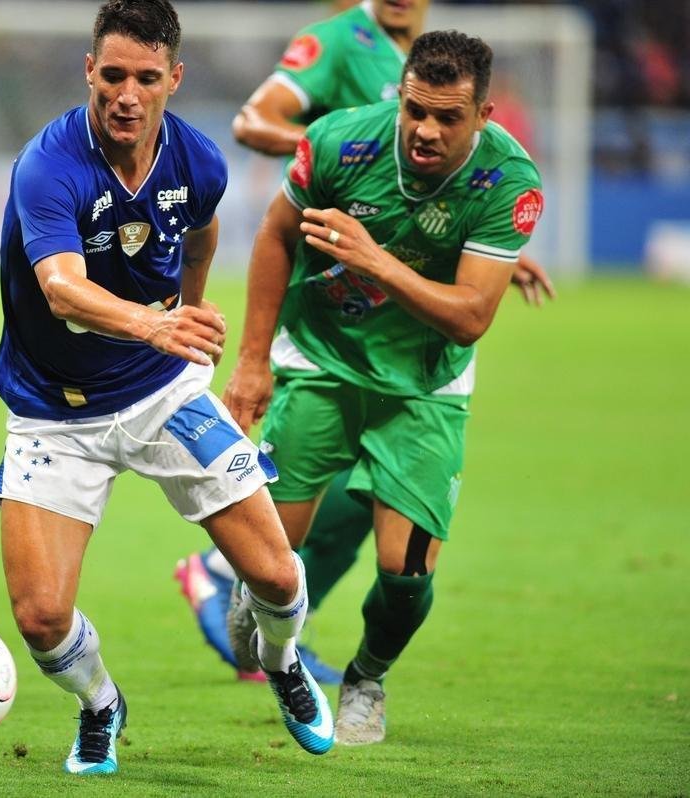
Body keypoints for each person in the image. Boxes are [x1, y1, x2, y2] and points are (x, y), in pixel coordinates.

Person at [0, 0, 334, 775]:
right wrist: (157, 324)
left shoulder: (198, 161)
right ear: (89, 71)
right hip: (55, 413)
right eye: (112, 75)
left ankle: (281, 665)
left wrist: (193, 303)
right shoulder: (48, 165)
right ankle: (101, 705)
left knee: (277, 576)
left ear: (174, 77)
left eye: (147, 77)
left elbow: (204, 226)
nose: (127, 95)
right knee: (41, 618)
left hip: (163, 394)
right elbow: (62, 290)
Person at [174, 0, 555, 684]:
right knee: (276, 543)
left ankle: (359, 674)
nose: (426, 129)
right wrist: (252, 361)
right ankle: (249, 600)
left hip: (422, 375)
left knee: (392, 563)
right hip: (326, 350)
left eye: (447, 117)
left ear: (483, 117)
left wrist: (399, 252)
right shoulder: (340, 61)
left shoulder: (509, 177)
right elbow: (263, 167)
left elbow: (470, 314)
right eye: (416, 111)